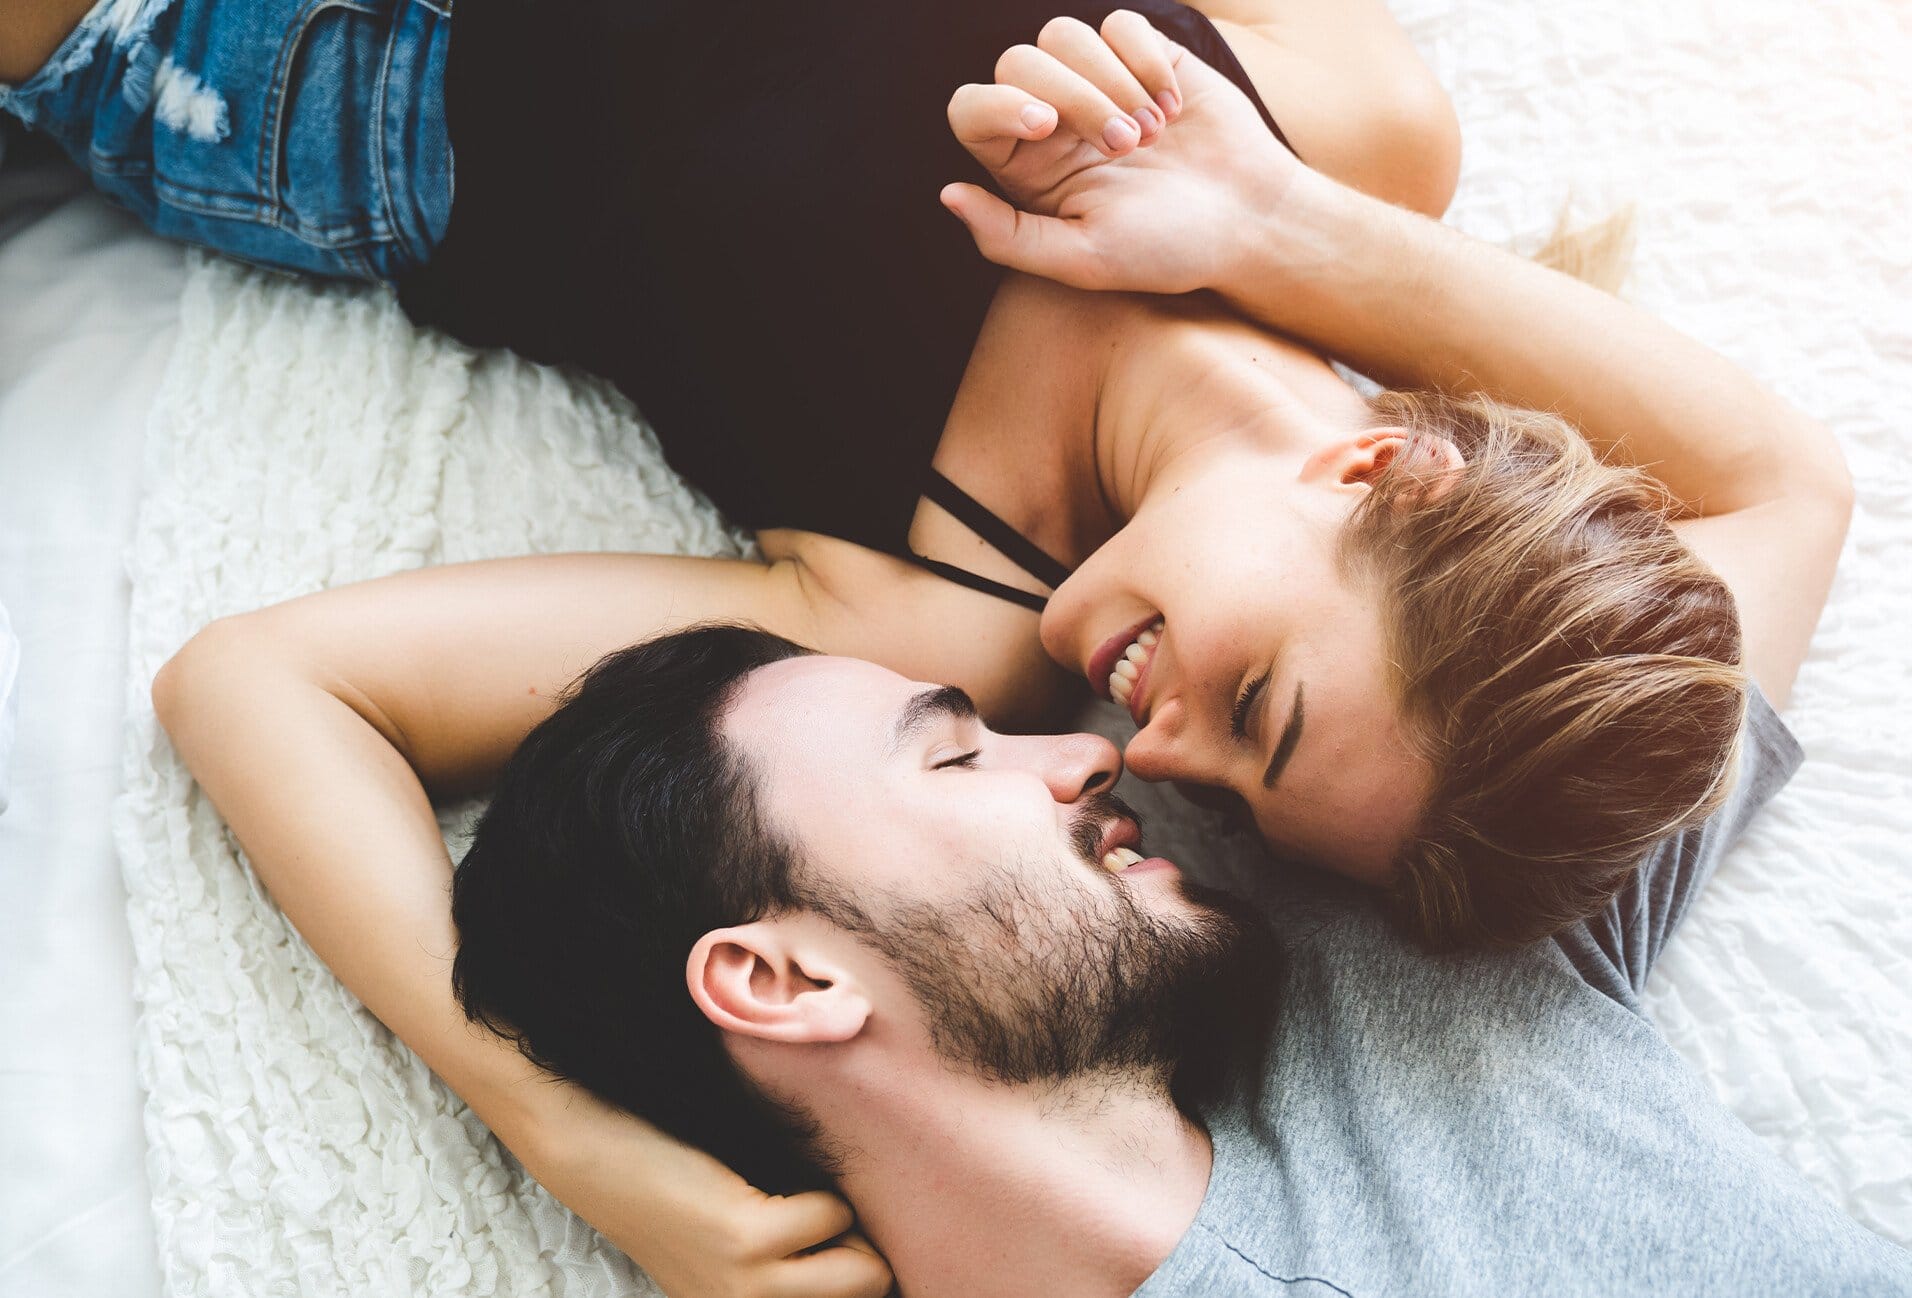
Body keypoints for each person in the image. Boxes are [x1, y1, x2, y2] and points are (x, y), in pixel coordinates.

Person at [3, 0, 1852, 945]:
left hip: (315, 62)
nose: (1157, 752)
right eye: (1258, 707)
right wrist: (1276, 213)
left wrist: (585, 1142)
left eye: (1227, 792)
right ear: (1383, 466)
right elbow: (1789, 485)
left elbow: (258, 687)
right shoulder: (1348, 134)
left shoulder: (930, 617)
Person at [436, 622, 1908, 1297]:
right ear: (783, 980)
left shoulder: (1365, 906)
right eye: (956, 756)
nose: (1083, 747)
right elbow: (237, 680)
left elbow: (1758, 502)